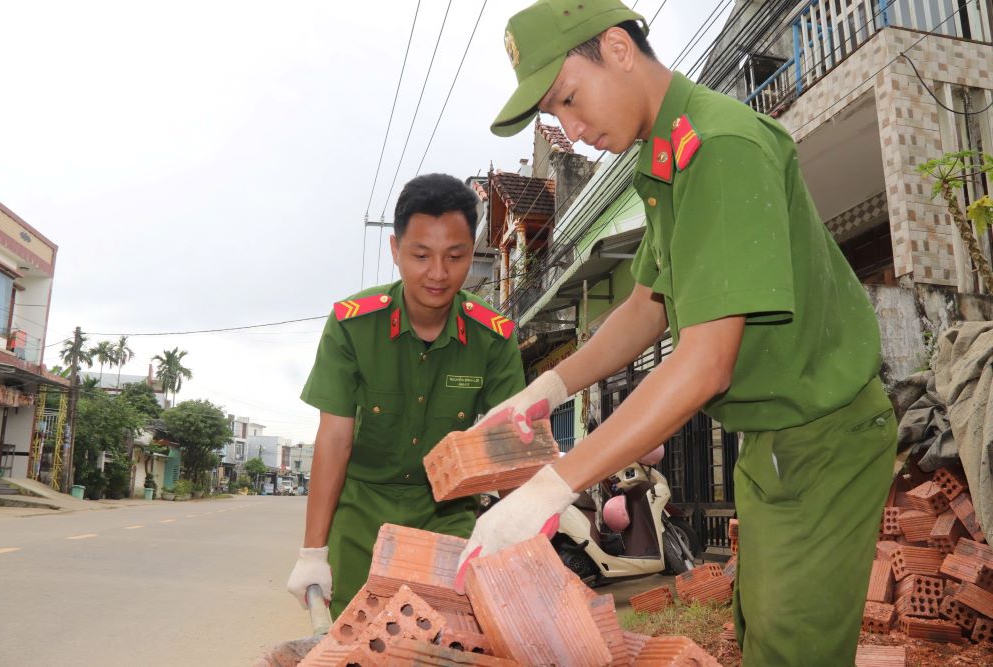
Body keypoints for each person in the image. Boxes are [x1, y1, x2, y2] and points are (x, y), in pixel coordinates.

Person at [457, 2, 897, 665]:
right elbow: (646, 307)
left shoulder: (719, 146)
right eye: (558, 117)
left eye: (571, 99)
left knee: (791, 649)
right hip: (772, 442)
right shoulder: (665, 156)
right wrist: (541, 391)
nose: (571, 132)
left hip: (824, 437)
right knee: (760, 634)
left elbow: (704, 364)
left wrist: (554, 485)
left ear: (617, 48)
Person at [287, 173, 526, 618]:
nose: (438, 273)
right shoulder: (352, 325)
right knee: (356, 639)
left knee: (443, 640)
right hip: (361, 514)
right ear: (395, 250)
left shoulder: (494, 338)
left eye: (455, 256)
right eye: (421, 255)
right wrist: (313, 552)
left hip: (447, 515)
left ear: (471, 254)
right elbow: (335, 439)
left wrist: (522, 546)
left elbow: (507, 447)